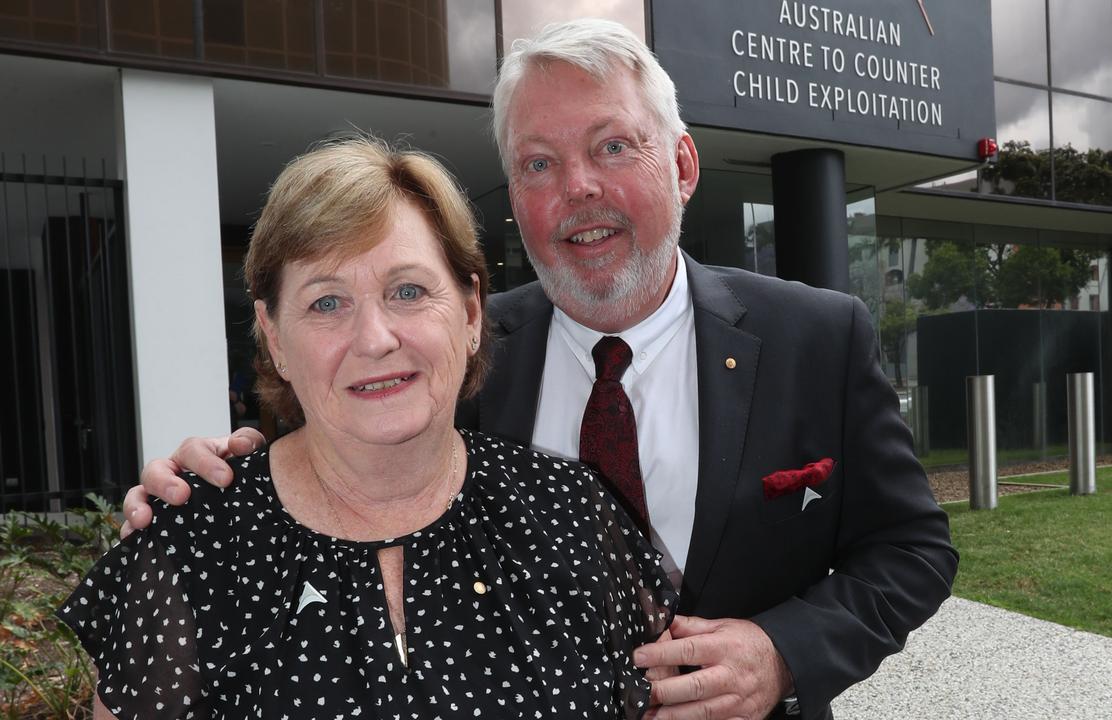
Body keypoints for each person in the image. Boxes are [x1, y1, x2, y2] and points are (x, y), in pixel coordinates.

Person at [125, 19, 958, 720]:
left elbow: (911, 546)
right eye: (537, 163)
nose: (578, 188)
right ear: (513, 195)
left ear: (683, 165)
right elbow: (344, 478)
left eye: (612, 146)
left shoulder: (817, 337)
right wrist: (207, 498)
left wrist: (783, 653)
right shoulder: (448, 359)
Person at [61, 137, 676, 719]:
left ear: (468, 313)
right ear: (274, 336)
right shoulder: (193, 544)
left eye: (407, 290)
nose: (376, 340)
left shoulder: (571, 513)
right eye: (327, 303)